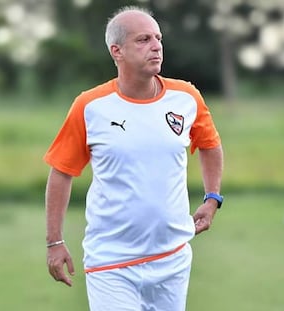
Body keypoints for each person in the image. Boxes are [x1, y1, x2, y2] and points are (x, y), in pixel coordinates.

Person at [44, 5, 223, 311]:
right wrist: (54, 242)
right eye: (143, 40)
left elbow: (210, 145)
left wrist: (212, 197)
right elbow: (61, 173)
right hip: (111, 262)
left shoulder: (186, 98)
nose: (155, 46)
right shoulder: (90, 106)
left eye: (158, 38)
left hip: (173, 258)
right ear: (117, 51)